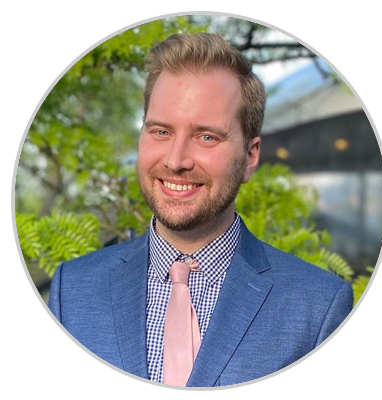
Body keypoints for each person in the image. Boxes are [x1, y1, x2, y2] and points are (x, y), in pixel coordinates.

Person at [48, 33, 353, 387]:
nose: (175, 160)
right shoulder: (73, 290)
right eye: (161, 131)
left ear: (249, 157)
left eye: (207, 136)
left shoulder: (318, 307)